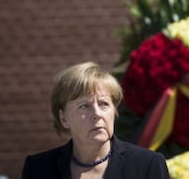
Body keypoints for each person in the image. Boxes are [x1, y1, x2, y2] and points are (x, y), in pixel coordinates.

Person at [21, 62, 170, 179]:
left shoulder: (147, 165)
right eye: (84, 106)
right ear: (63, 118)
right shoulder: (38, 168)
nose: (97, 114)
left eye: (104, 104)